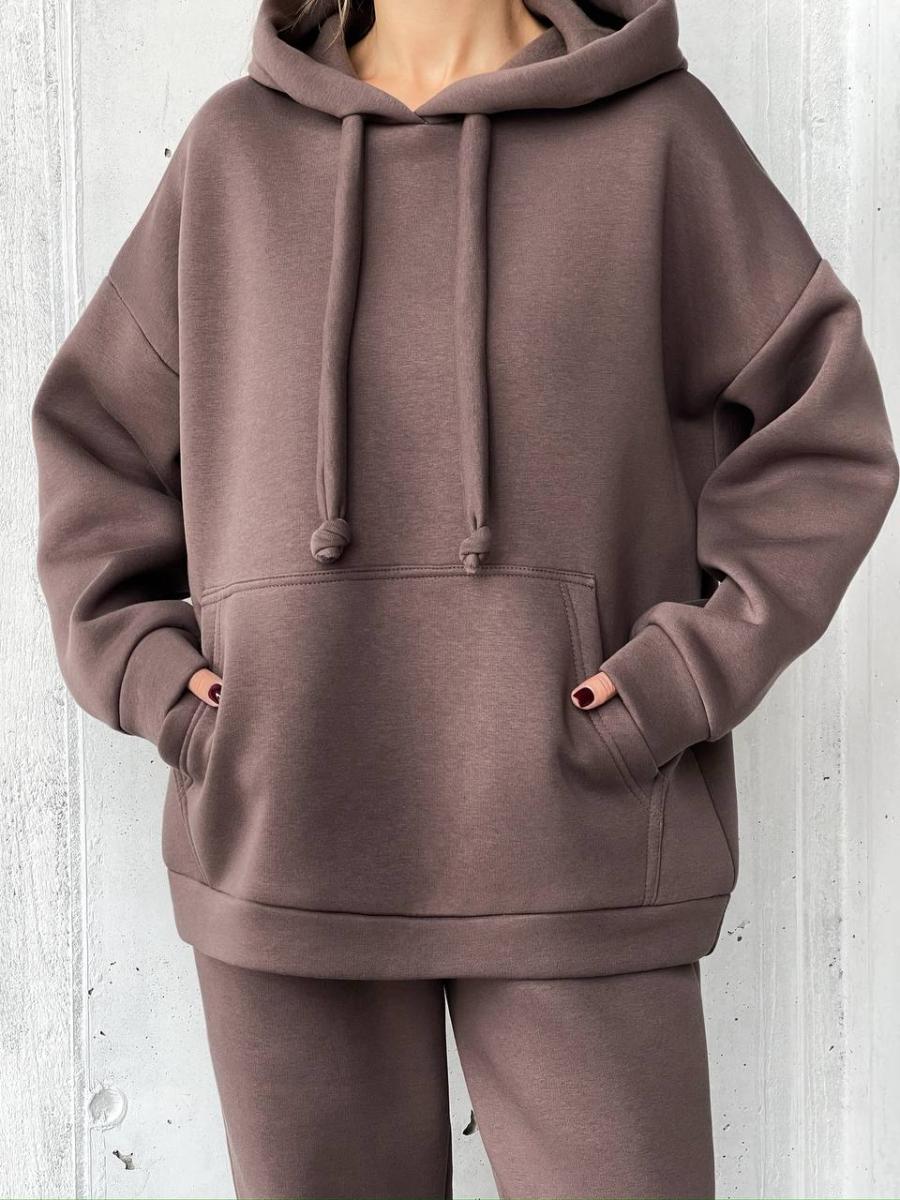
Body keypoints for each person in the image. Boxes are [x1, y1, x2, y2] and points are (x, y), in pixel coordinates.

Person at [30, 0, 898, 1196]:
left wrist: (676, 681)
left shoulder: (662, 139)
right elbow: (96, 442)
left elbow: (826, 437)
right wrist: (161, 685)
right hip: (287, 831)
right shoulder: (234, 153)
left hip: (578, 839)